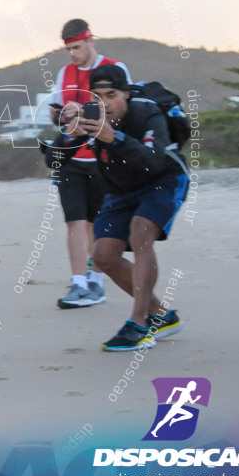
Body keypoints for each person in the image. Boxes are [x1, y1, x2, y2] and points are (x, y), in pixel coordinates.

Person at [65, 64, 189, 351]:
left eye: (111, 95)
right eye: (97, 96)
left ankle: (139, 323)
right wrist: (67, 134)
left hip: (164, 180)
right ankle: (161, 316)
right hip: (122, 189)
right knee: (103, 256)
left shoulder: (147, 113)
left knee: (140, 233)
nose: (105, 104)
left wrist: (115, 138)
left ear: (126, 95)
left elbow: (155, 161)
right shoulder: (93, 118)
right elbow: (53, 156)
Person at [50, 19, 131, 310]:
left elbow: (123, 113)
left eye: (77, 47)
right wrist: (65, 115)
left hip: (102, 158)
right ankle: (78, 283)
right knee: (74, 221)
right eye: (69, 49)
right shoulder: (65, 73)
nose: (73, 54)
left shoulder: (114, 68)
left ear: (90, 40)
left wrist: (87, 109)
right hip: (71, 157)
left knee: (98, 223)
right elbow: (54, 117)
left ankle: (96, 282)